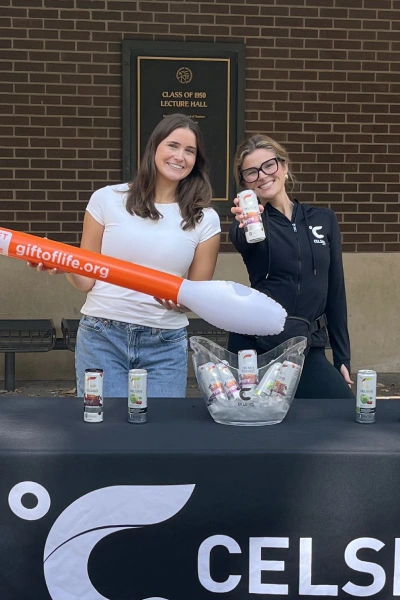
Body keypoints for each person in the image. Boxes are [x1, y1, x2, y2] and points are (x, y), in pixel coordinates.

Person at [31, 113, 221, 398]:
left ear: (197, 160)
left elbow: (196, 294)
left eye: (189, 150)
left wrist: (182, 302)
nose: (180, 156)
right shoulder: (107, 199)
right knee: (103, 431)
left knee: (159, 435)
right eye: (173, 145)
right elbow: (86, 281)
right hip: (102, 335)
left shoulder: (205, 218)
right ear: (154, 147)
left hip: (165, 342)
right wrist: (63, 263)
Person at [229, 134, 355, 400]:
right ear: (245, 184)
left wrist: (342, 357)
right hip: (261, 347)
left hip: (308, 347)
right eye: (251, 172)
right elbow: (243, 240)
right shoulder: (252, 224)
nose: (262, 176)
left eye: (269, 165)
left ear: (284, 167)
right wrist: (245, 221)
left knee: (342, 409)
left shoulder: (323, 219)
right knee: (263, 434)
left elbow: (336, 291)